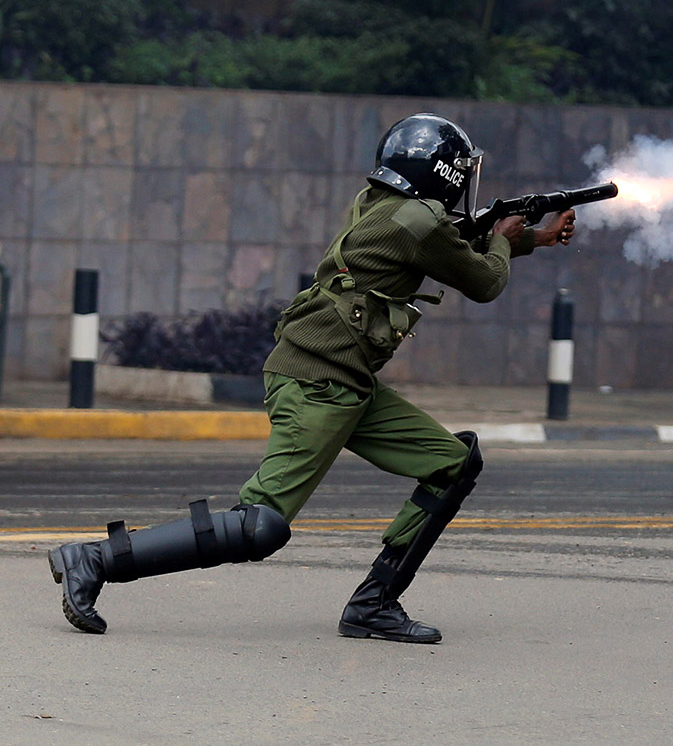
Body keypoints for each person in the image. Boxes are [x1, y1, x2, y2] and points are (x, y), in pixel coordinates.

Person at [48, 112, 577, 643]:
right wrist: (508, 238)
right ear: (443, 173)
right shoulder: (417, 223)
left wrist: (532, 238)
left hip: (346, 381)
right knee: (260, 525)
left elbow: (453, 244)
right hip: (318, 382)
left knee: (454, 463)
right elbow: (484, 280)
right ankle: (95, 560)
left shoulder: (383, 205)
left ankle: (373, 605)